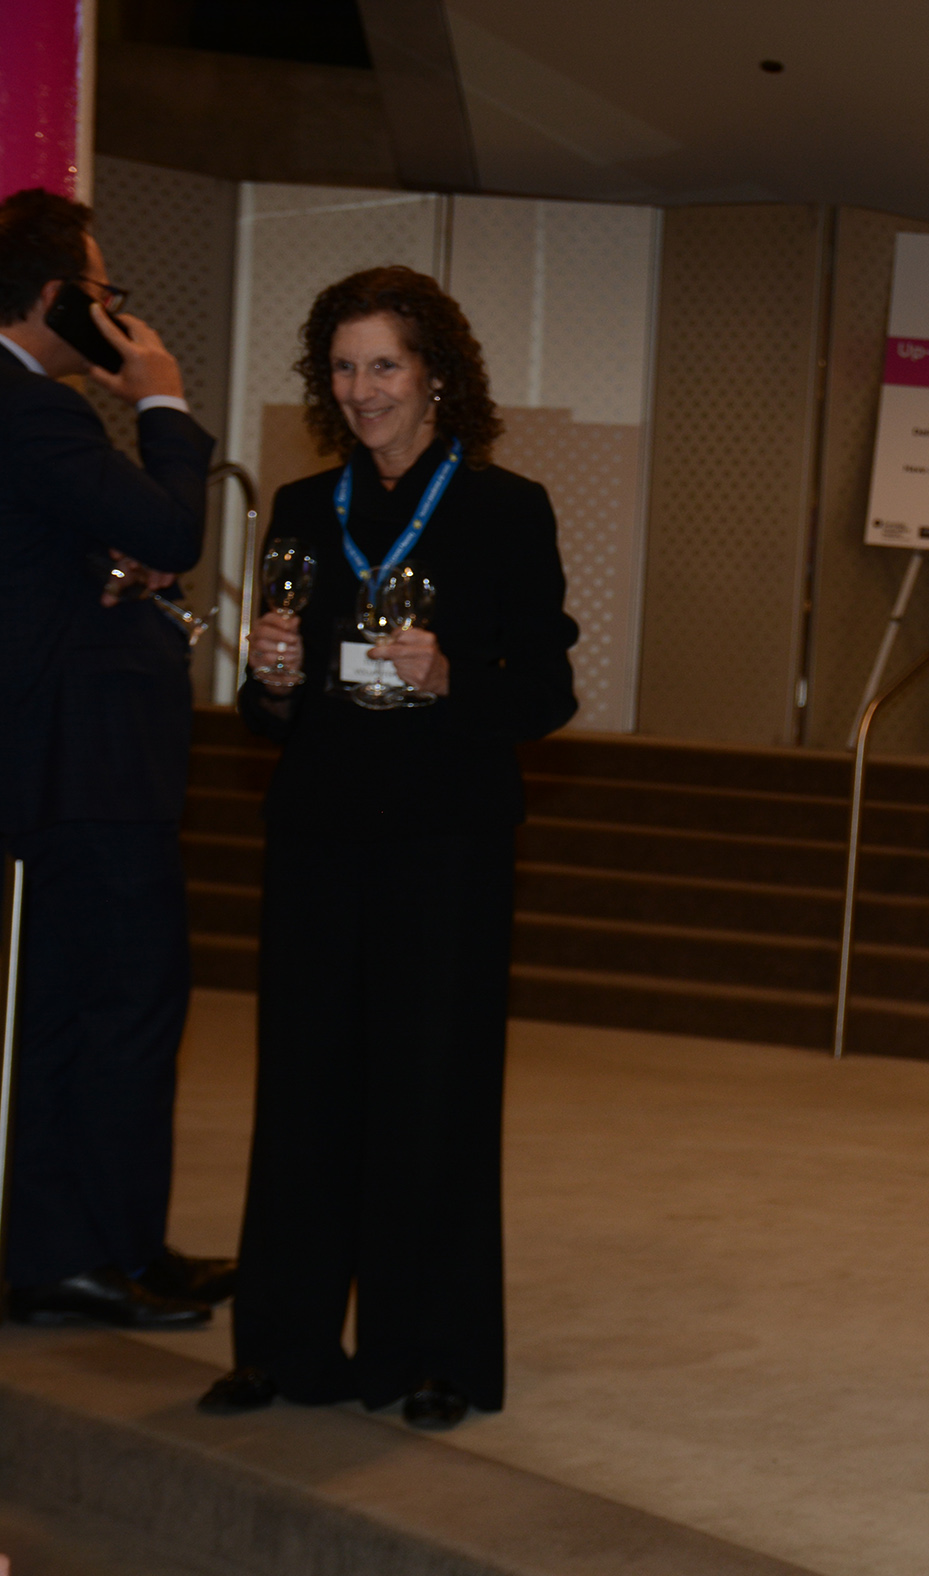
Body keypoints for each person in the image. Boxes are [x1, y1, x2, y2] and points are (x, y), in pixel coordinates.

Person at [197, 267, 578, 1431]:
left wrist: (453, 675)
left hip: (445, 845)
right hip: (319, 834)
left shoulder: (507, 510)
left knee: (432, 1094)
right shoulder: (304, 507)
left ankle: (432, 1354)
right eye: (344, 367)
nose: (362, 390)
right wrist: (269, 678)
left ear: (435, 375)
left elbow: (546, 692)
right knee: (302, 1088)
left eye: (384, 365)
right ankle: (285, 1345)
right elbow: (275, 711)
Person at [0, 187, 232, 1330]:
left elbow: (67, 549)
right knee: (125, 1005)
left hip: (53, 765)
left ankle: (103, 1243)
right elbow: (175, 528)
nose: (114, 314)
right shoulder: (37, 410)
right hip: (83, 768)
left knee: (62, 1012)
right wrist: (163, 401)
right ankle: (86, 1252)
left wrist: (113, 559)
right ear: (57, 298)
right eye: (102, 293)